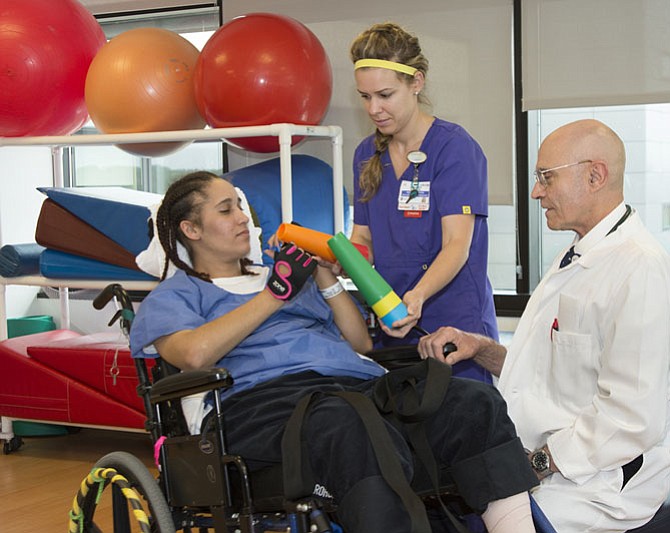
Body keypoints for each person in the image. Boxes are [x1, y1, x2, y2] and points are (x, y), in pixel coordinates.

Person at [129, 171, 539, 533]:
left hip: (352, 386)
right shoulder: (176, 295)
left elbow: (360, 343)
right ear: (191, 229)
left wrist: (323, 273)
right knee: (346, 422)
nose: (242, 218)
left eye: (240, 205)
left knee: (471, 401)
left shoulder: (284, 276)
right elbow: (194, 355)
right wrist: (275, 296)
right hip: (259, 408)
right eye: (225, 210)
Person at [417, 119, 670, 532]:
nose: (536, 191)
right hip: (542, 466)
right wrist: (479, 348)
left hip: (595, 488)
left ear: (595, 175)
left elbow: (631, 418)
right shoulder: (576, 256)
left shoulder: (639, 268)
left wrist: (534, 464)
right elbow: (551, 370)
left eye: (546, 178)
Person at [348, 22, 497, 384]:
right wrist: (337, 259)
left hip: (453, 323)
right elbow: (363, 242)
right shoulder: (366, 154)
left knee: (462, 429)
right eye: (365, 97)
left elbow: (457, 246)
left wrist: (416, 297)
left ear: (416, 82)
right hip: (393, 323)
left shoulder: (453, 148)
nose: (374, 108)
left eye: (385, 95)